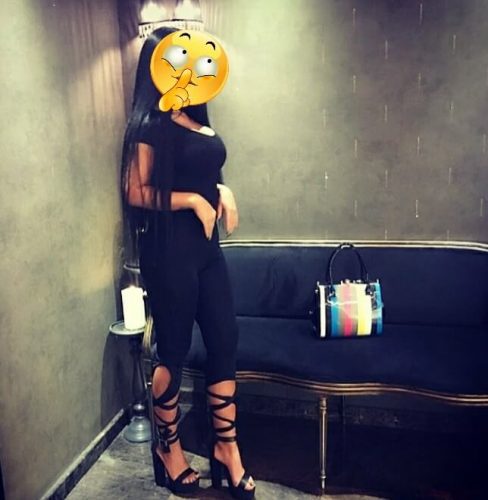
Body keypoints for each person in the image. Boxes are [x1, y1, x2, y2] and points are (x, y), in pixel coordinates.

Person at [120, 26, 256, 499]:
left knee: (224, 339)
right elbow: (135, 190)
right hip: (169, 251)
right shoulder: (149, 124)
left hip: (206, 250)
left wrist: (220, 190)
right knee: (174, 349)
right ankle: (168, 449)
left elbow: (200, 170)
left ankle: (226, 448)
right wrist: (192, 201)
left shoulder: (196, 115)